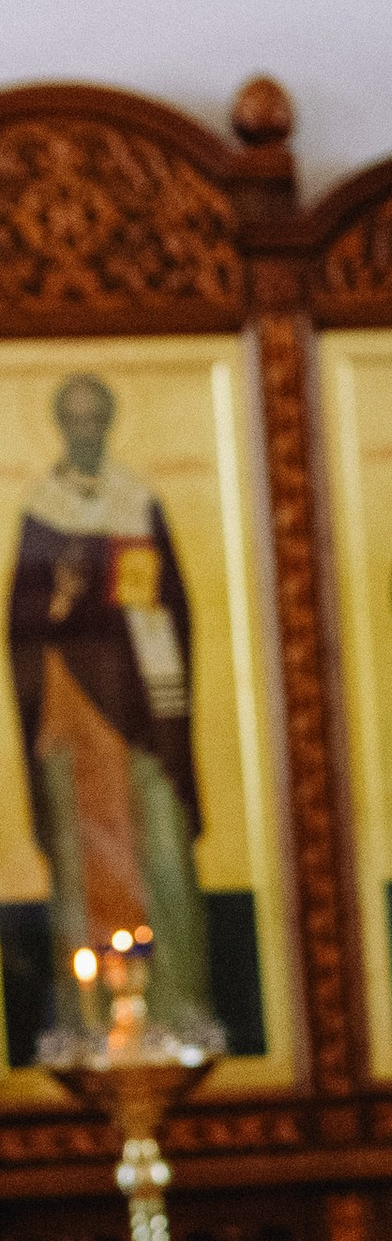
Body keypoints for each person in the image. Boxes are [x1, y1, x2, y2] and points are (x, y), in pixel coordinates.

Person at [7, 370, 211, 1029]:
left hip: (143, 717)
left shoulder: (137, 501)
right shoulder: (45, 509)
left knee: (160, 854)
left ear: (111, 424)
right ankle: (94, 1020)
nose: (86, 431)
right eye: (75, 419)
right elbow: (24, 628)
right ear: (62, 428)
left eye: (97, 418)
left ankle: (175, 1006)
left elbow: (173, 604)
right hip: (76, 719)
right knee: (85, 858)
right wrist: (62, 601)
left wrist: (138, 610)